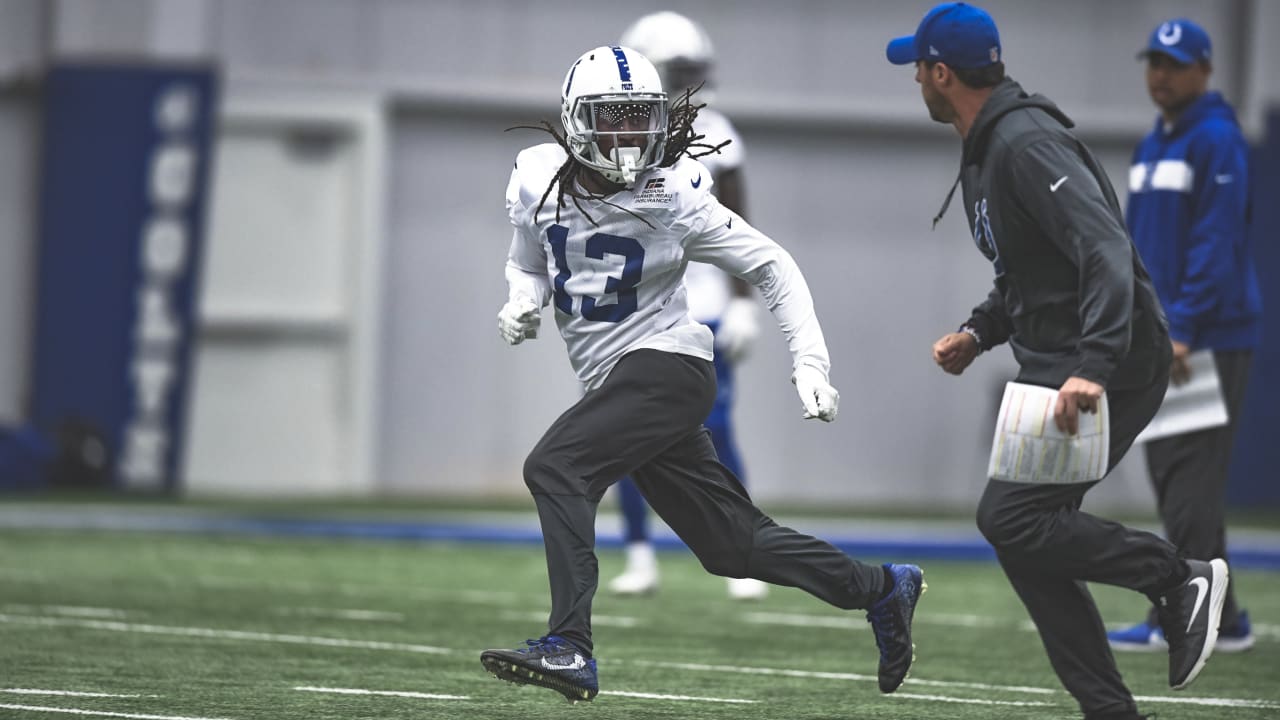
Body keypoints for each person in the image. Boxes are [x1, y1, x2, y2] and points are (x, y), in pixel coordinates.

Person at [480, 44, 924, 703]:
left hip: (669, 365)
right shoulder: (536, 176)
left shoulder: (676, 190)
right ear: (577, 122)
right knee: (732, 547)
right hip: (619, 380)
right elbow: (529, 259)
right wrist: (521, 299)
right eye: (615, 118)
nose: (631, 135)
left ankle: (570, 646)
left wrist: (810, 361)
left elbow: (772, 265)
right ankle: (884, 588)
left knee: (556, 467)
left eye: (641, 118)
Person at [886, 4, 1228, 719]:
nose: (914, 78)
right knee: (1023, 537)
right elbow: (1029, 268)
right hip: (1060, 361)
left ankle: (1178, 577)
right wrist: (980, 331)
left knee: (1011, 518)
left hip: (1112, 360)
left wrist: (1094, 365)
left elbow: (1102, 249)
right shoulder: (988, 146)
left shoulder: (1024, 143)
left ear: (941, 73)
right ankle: (1110, 708)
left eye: (917, 66)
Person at [1107, 18, 1259, 655]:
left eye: (1172, 64)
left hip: (1203, 339)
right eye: (1153, 63)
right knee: (1175, 473)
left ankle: (1182, 613)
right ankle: (1223, 618)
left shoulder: (1217, 140)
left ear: (1204, 69)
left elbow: (1215, 245)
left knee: (1187, 474)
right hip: (1164, 335)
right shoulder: (1154, 143)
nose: (1159, 75)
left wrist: (1185, 331)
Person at [608, 10, 767, 601]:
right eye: (678, 72)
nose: (688, 85)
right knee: (623, 437)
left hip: (703, 308)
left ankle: (746, 551)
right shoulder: (613, 136)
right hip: (635, 309)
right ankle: (639, 554)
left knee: (716, 433)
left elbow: (742, 227)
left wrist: (745, 301)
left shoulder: (718, 134)